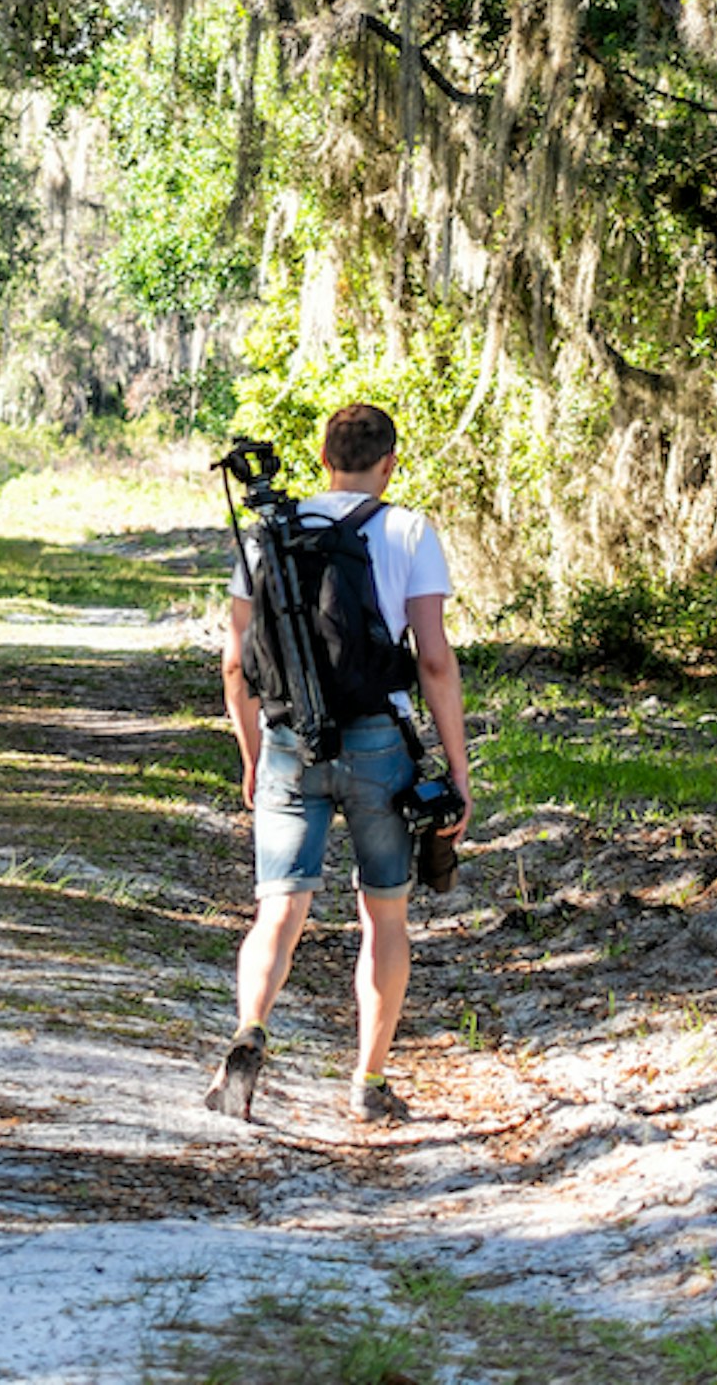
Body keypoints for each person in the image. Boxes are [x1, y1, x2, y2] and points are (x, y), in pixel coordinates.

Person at [203, 400, 470, 1126]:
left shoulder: (266, 537)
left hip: (292, 740)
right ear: (390, 463)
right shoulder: (410, 529)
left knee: (279, 909)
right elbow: (435, 660)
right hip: (380, 740)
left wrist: (253, 755)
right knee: (384, 914)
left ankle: (248, 1031)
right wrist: (456, 767)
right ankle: (369, 1080)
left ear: (322, 459)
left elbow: (236, 663)